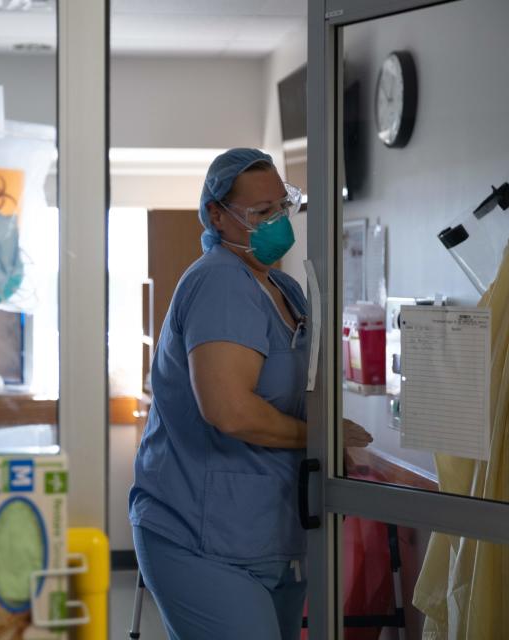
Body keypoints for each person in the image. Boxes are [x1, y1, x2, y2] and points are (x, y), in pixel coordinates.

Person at [128, 148, 373, 639]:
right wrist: (317, 438)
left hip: (269, 534)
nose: (277, 223)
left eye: (282, 207)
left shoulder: (284, 288)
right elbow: (230, 412)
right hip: (203, 536)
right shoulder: (219, 280)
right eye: (261, 213)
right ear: (217, 216)